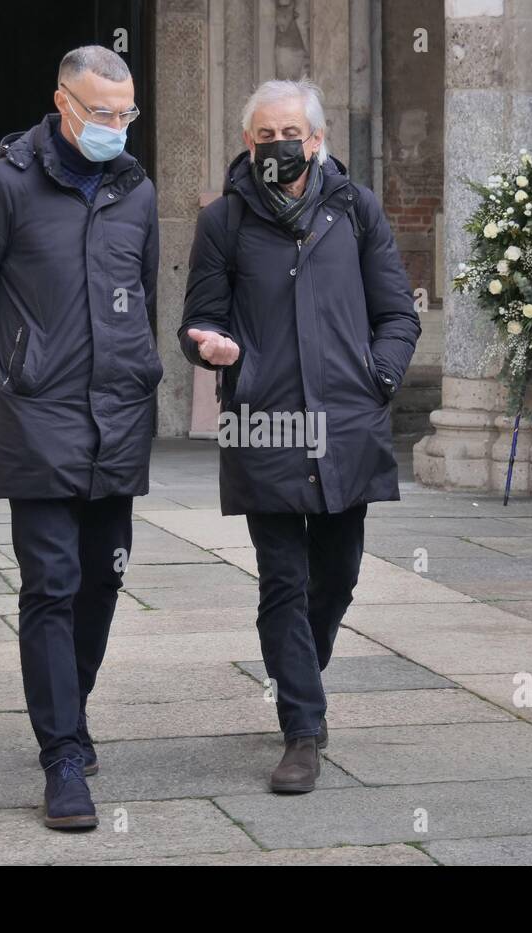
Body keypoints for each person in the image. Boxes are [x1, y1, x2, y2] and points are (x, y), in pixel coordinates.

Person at [0, 45, 160, 830]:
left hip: (120, 417)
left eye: (126, 115)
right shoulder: (2, 189)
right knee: (52, 584)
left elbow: (141, 293)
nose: (116, 129)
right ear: (62, 104)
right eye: (102, 114)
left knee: (104, 579)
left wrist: (136, 365)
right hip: (38, 419)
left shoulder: (136, 190)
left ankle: (71, 706)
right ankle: (62, 756)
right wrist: (13, 372)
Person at [179, 78, 419, 793]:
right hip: (266, 422)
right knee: (284, 580)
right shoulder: (223, 222)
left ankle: (295, 678)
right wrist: (211, 348)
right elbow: (200, 320)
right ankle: (302, 730)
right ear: (248, 142)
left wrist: (376, 379)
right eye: (262, 135)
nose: (276, 145)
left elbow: (398, 315)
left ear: (316, 141)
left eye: (289, 133)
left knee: (337, 576)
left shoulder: (355, 208)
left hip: (346, 421)